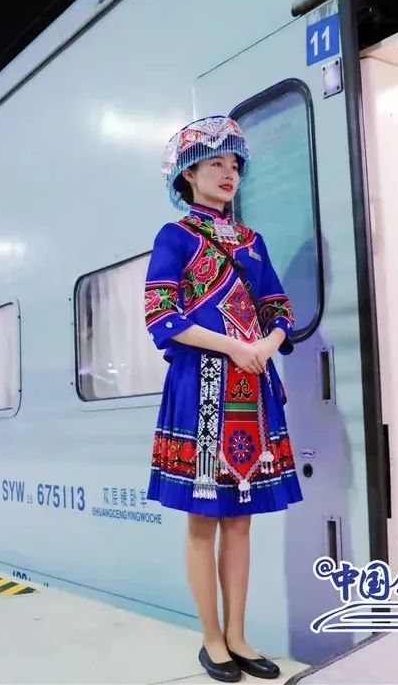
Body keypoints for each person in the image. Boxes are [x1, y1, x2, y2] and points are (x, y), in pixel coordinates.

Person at [144, 116, 302, 683]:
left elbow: (278, 308)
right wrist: (236, 346)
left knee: (240, 521)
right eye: (216, 163)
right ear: (188, 175)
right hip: (201, 387)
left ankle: (238, 635)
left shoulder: (253, 242)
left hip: (250, 386)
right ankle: (211, 638)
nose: (229, 173)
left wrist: (266, 344)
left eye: (234, 164)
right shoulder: (175, 237)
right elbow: (160, 316)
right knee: (202, 520)